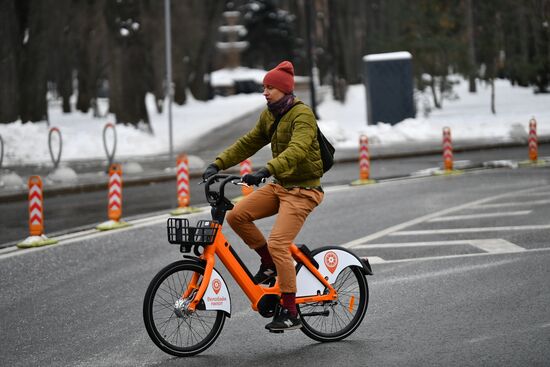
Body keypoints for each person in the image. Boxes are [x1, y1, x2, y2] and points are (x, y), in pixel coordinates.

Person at [202, 60, 324, 331]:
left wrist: (266, 170)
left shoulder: (302, 115)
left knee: (279, 243)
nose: (265, 92)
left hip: (304, 190)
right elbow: (250, 141)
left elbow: (298, 150)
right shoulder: (270, 114)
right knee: (237, 215)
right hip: (281, 185)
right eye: (264, 87)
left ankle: (291, 310)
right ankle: (268, 263)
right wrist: (218, 163)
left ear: (284, 89)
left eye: (270, 88)